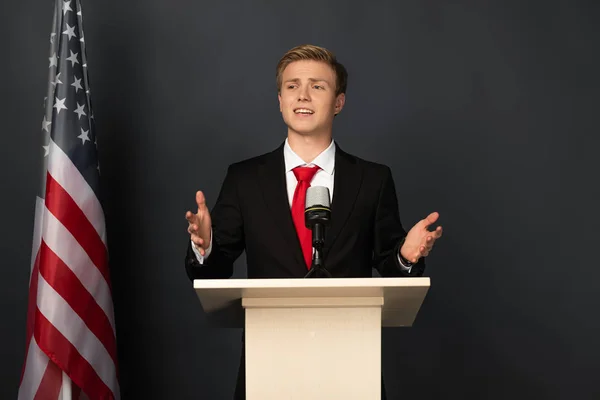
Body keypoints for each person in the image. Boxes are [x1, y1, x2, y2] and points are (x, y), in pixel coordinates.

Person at [184, 44, 443, 399]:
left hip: (352, 361)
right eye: (292, 86)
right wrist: (205, 245)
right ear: (279, 99)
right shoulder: (245, 179)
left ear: (338, 102)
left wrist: (406, 257)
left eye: (317, 86)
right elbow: (213, 270)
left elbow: (391, 266)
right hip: (268, 362)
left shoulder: (373, 180)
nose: (302, 95)